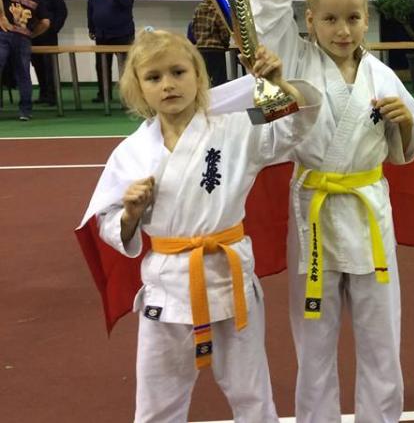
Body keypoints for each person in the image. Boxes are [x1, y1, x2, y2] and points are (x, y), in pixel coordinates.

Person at [234, 0, 414, 423]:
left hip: (370, 213)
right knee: (315, 347)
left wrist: (401, 127)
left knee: (381, 344)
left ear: (366, 18)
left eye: (352, 18)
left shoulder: (383, 77)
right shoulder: (295, 58)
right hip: (314, 215)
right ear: (309, 20)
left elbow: (403, 156)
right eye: (329, 19)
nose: (342, 30)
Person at [78, 29, 321, 422]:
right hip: (167, 287)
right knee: (157, 404)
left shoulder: (237, 127)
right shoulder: (131, 152)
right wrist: (131, 214)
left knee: (253, 396)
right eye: (154, 77)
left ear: (198, 75)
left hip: (230, 280)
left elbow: (297, 123)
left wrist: (278, 84)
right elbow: (107, 221)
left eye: (178, 72)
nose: (168, 84)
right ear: (139, 88)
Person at [0, 0, 49, 120]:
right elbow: (46, 22)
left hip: (3, 34)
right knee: (23, 75)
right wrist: (31, 35)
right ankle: (25, 112)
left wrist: (2, 17)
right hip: (23, 38)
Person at [88, 0, 135, 103]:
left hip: (123, 35)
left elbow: (126, 3)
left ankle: (129, 96)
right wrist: (91, 28)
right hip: (102, 35)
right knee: (101, 66)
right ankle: (104, 94)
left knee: (126, 67)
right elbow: (91, 9)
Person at [23, 0, 67, 105]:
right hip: (30, 35)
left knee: (50, 66)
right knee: (37, 65)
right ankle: (43, 94)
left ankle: (53, 96)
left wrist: (54, 29)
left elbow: (62, 11)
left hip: (48, 36)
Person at [192, 0, 231, 86]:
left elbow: (193, 28)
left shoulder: (197, 9)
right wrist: (225, 43)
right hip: (216, 49)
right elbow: (224, 31)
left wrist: (199, 40)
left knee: (203, 80)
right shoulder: (217, 9)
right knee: (219, 82)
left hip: (201, 49)